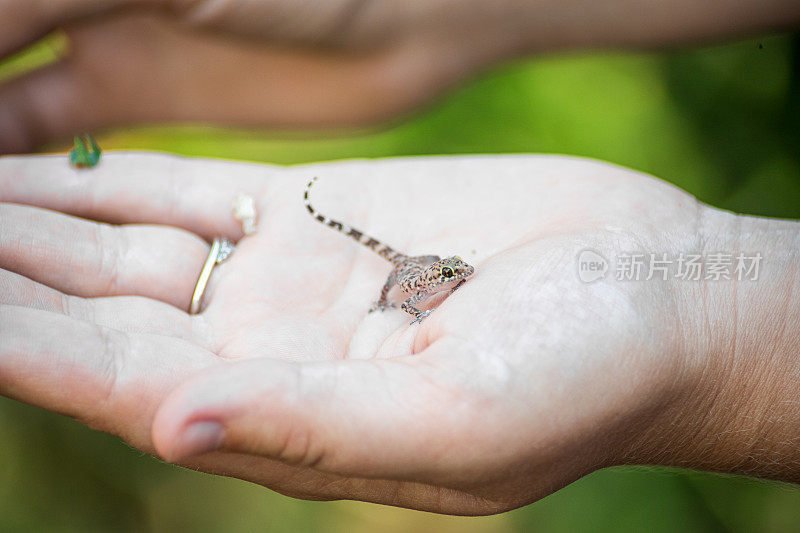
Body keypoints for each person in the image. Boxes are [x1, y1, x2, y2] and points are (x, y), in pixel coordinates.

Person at [0, 0, 799, 517]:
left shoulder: (445, 279)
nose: (456, 282)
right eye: (450, 278)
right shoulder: (418, 283)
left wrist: (719, 332)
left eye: (451, 279)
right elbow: (410, 281)